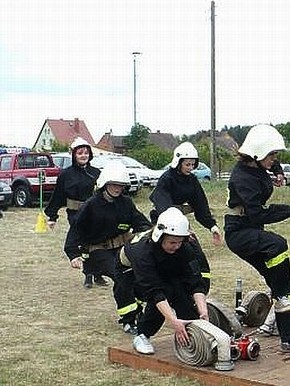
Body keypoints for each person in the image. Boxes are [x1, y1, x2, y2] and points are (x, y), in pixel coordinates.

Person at [224, 124, 290, 353]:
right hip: (239, 233)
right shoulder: (242, 179)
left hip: (253, 230)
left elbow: (272, 164)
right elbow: (260, 214)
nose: (275, 159)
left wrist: (278, 173)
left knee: (287, 286)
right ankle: (280, 297)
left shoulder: (259, 162)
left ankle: (289, 340)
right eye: (272, 155)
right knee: (277, 244)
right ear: (257, 154)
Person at [114, 207, 209, 355]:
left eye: (179, 242)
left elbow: (195, 281)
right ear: (160, 236)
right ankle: (142, 335)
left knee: (180, 289)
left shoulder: (185, 247)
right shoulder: (142, 253)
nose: (177, 246)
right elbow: (155, 292)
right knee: (165, 290)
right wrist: (173, 321)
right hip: (129, 272)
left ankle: (190, 330)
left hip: (162, 264)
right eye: (172, 242)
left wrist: (203, 312)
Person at [74, 163, 153, 333]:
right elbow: (76, 229)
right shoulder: (91, 205)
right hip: (97, 251)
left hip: (121, 249)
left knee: (137, 275)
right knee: (122, 277)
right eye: (114, 185)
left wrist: (152, 234)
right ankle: (128, 320)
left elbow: (141, 222)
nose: (118, 189)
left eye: (121, 185)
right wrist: (74, 253)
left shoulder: (125, 203)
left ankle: (137, 310)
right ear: (104, 184)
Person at [149, 142, 223, 292]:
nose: (190, 168)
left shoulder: (192, 180)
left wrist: (212, 226)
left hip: (180, 221)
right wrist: (181, 229)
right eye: (187, 164)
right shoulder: (166, 179)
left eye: (192, 164)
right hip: (163, 222)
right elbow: (163, 207)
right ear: (178, 162)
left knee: (196, 253)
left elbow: (200, 205)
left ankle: (200, 289)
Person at [44, 137, 108, 289]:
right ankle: (88, 274)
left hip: (95, 214)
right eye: (80, 153)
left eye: (86, 153)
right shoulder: (66, 174)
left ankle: (98, 273)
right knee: (84, 244)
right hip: (76, 214)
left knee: (97, 243)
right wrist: (52, 216)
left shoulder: (97, 173)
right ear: (74, 155)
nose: (83, 156)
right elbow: (58, 195)